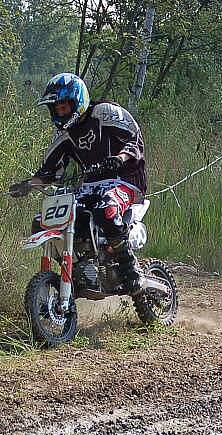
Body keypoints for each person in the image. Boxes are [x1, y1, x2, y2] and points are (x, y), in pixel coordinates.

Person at [10, 73, 146, 294]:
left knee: (107, 210)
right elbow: (49, 171)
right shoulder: (64, 135)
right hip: (90, 184)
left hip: (125, 180)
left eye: (64, 107)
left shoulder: (105, 112)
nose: (60, 113)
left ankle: (130, 268)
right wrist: (28, 185)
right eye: (57, 109)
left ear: (77, 100)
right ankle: (78, 268)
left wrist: (120, 158)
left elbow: (134, 137)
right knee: (42, 221)